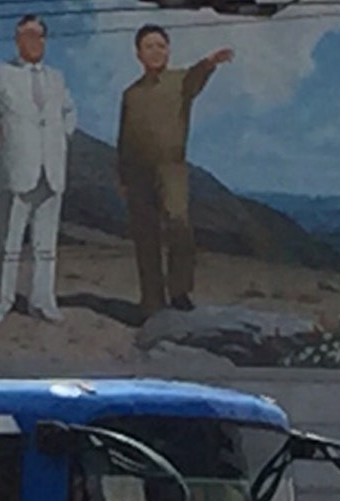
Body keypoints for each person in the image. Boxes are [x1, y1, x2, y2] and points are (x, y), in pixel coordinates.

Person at [0, 14, 77, 327]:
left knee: (45, 243)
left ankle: (43, 301)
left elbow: (69, 109)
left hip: (51, 168)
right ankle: (0, 301)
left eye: (39, 36)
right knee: (8, 240)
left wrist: (61, 137)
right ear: (17, 40)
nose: (34, 42)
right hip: (15, 167)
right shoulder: (1, 73)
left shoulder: (57, 77)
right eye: (27, 36)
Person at [117, 25, 233, 317]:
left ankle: (180, 291)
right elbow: (124, 137)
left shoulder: (181, 81)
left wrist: (209, 64)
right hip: (136, 173)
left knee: (178, 223)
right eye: (149, 46)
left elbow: (196, 76)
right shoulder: (130, 94)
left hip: (171, 168)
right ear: (138, 54)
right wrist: (122, 177)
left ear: (168, 50)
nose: (156, 51)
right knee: (145, 237)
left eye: (161, 45)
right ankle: (152, 302)